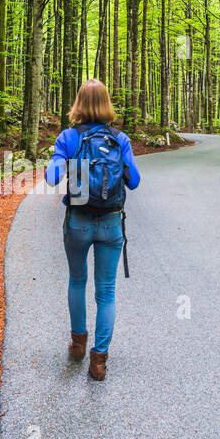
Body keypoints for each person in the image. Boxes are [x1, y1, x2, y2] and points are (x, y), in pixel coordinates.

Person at [44, 79, 141, 381]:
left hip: (78, 222)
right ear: (106, 104)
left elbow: (50, 177)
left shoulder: (69, 137)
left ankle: (77, 345)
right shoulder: (120, 139)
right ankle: (98, 362)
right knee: (107, 291)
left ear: (79, 104)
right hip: (111, 223)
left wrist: (70, 163)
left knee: (77, 280)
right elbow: (134, 181)